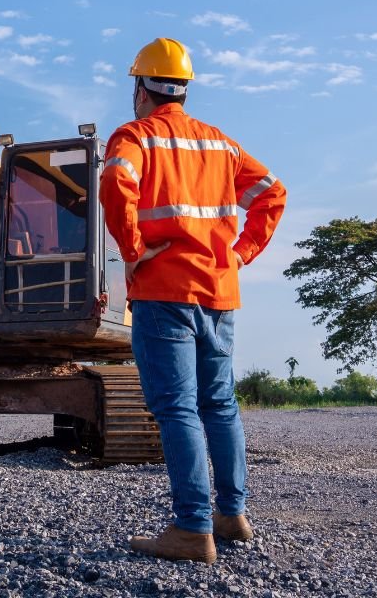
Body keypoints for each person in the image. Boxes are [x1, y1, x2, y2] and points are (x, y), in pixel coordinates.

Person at [98, 37, 287, 564]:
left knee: (177, 408)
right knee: (220, 405)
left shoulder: (136, 136)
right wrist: (241, 254)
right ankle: (232, 514)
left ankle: (191, 529)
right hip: (219, 293)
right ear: (181, 89)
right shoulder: (219, 145)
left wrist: (132, 248)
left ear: (141, 89)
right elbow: (274, 192)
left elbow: (115, 178)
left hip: (164, 293)